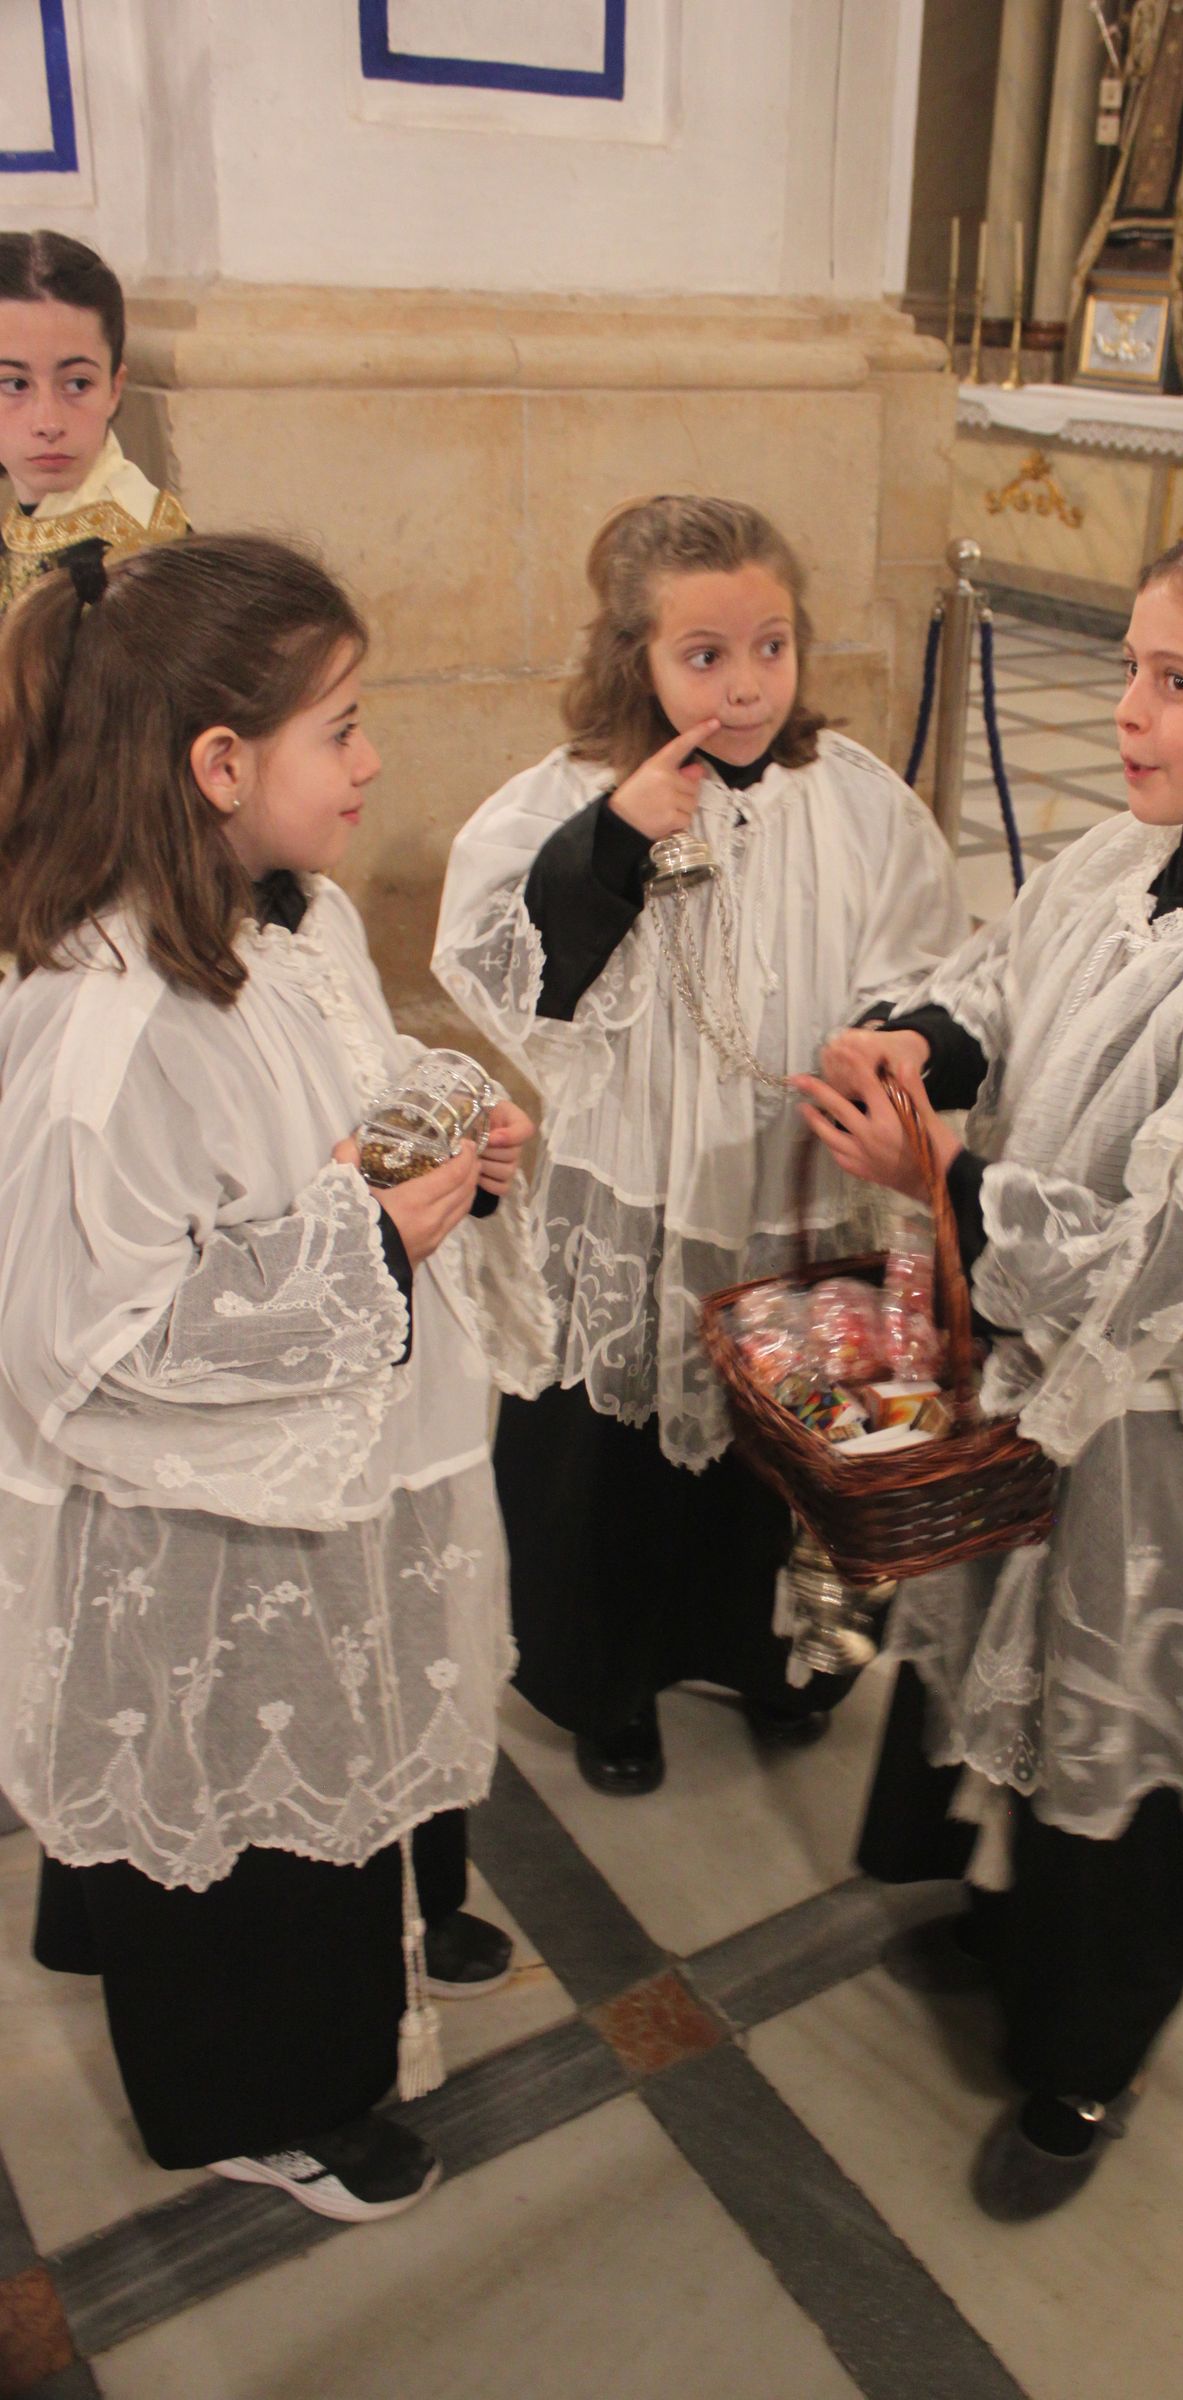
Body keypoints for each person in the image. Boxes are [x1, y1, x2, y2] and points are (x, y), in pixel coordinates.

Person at [794, 518, 1183, 2221]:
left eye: (1174, 679)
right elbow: (1004, 986)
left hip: (1161, 1440)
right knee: (1025, 1690)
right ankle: (1011, 1928)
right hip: (1035, 1392)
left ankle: (1088, 2062)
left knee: (1123, 1761)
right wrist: (917, 1047)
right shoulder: (1117, 862)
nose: (1128, 708)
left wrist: (941, 1183)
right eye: (1132, 665)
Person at [0, 536, 534, 2222]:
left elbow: (321, 1121)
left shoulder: (272, 920)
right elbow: (98, 1340)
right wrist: (376, 1251)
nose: (375, 762)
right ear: (220, 767)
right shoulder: (113, 1022)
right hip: (197, 1513)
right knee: (226, 1801)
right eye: (346, 728)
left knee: (257, 1786)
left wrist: (441, 1136)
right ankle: (255, 2101)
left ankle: (147, 1952)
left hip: (298, 1463)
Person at [434, 494, 966, 1795]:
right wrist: (617, 839)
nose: (746, 688)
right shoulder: (569, 800)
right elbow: (500, 957)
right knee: (613, 1467)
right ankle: (610, 1686)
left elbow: (929, 949)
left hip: (801, 1182)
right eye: (706, 655)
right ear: (637, 660)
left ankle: (787, 1660)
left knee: (797, 1455)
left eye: (771, 647)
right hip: (644, 1190)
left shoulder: (853, 797)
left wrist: (893, 1036)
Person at [0, 230, 187, 619]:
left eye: (78, 384)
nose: (48, 423)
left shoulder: (127, 558)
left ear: (114, 390)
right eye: (15, 384)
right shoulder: (31, 513)